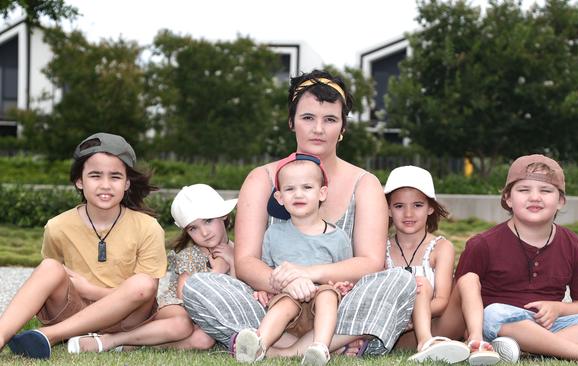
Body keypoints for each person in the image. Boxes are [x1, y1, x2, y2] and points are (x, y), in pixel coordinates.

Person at [182, 69, 415, 359]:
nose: (318, 129)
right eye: (308, 118)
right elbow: (245, 262)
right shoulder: (262, 179)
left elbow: (370, 262)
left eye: (330, 119)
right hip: (273, 304)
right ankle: (332, 343)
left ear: (342, 128)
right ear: (291, 122)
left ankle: (283, 348)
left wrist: (308, 274)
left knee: (400, 281)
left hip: (339, 304)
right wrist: (286, 282)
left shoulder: (364, 184)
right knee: (198, 286)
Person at [455, 154, 578, 364]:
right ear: (508, 198)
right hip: (500, 324)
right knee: (493, 312)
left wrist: (559, 308)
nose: (535, 197)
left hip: (549, 324)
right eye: (524, 190)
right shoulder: (483, 244)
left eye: (545, 190)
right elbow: (463, 295)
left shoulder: (572, 244)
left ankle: (525, 349)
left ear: (561, 201)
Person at [0, 132, 167, 359]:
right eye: (95, 176)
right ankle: (1, 335)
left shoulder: (148, 227)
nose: (105, 185)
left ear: (127, 183)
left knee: (143, 283)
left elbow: (144, 294)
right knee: (49, 267)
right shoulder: (57, 226)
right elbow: (52, 282)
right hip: (73, 313)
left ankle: (51, 335)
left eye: (115, 177)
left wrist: (91, 290)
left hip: (125, 320)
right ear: (79, 180)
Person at [65, 184, 236, 352]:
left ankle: (128, 345)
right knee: (181, 325)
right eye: (193, 228)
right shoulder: (191, 255)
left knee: (204, 340)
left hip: (210, 318)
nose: (204, 233)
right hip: (179, 310)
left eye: (208, 221)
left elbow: (242, 291)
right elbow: (184, 294)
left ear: (224, 215)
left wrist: (233, 262)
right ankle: (111, 340)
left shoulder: (239, 252)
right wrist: (216, 273)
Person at [234, 152, 353, 365]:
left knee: (327, 294)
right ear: (280, 198)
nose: (298, 194)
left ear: (322, 193)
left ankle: (320, 348)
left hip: (321, 303)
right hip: (288, 298)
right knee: (284, 303)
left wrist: (343, 286)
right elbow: (267, 267)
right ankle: (259, 343)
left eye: (307, 187)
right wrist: (264, 288)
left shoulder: (338, 238)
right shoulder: (274, 234)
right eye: (290, 189)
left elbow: (344, 271)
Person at [384, 166, 500, 365]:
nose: (408, 213)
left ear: (430, 207)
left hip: (438, 324)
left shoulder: (440, 247)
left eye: (418, 205)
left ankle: (475, 339)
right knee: (418, 284)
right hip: (398, 333)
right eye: (399, 206)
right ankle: (425, 344)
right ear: (388, 209)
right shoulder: (381, 248)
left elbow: (442, 301)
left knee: (469, 279)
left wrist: (415, 314)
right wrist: (403, 319)